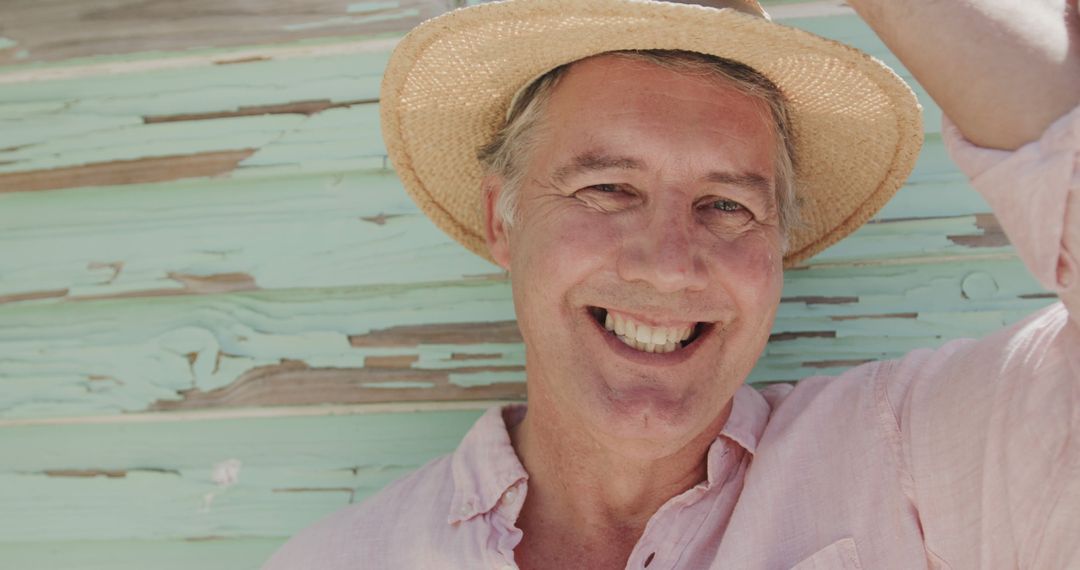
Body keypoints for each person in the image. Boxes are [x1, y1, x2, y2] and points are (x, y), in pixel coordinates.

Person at [264, 0, 1080, 567]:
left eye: (726, 205)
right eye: (608, 189)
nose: (666, 262)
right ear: (501, 220)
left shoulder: (917, 462)